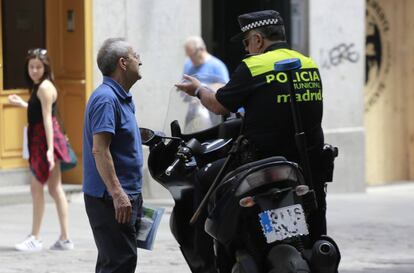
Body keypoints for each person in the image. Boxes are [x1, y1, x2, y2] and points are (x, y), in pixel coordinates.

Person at [175, 9, 330, 266]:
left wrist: (198, 89)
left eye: (247, 42)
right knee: (316, 228)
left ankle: (208, 262)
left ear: (258, 40)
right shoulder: (309, 63)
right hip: (307, 165)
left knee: (202, 180)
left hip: (261, 165)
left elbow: (219, 105)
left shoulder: (254, 66)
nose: (247, 49)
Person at [83, 38, 144, 273]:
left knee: (117, 261)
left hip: (126, 194)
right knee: (119, 263)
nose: (140, 60)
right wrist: (118, 194)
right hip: (110, 198)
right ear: (123, 63)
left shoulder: (122, 96)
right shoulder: (106, 99)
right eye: (135, 55)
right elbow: (100, 149)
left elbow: (117, 137)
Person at [8, 48, 74, 251]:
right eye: (31, 67)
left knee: (37, 188)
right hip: (43, 139)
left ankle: (35, 237)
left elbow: (47, 118)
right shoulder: (41, 86)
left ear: (45, 67)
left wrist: (48, 150)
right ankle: (64, 238)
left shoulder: (44, 87)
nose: (34, 70)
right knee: (55, 188)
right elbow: (40, 111)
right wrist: (23, 104)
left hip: (44, 141)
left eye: (38, 67)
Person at [181, 36, 230, 133]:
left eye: (192, 56)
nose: (190, 59)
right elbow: (184, 83)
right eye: (188, 56)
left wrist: (202, 89)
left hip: (211, 113)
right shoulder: (188, 64)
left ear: (201, 50)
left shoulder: (217, 66)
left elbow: (225, 87)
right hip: (192, 114)